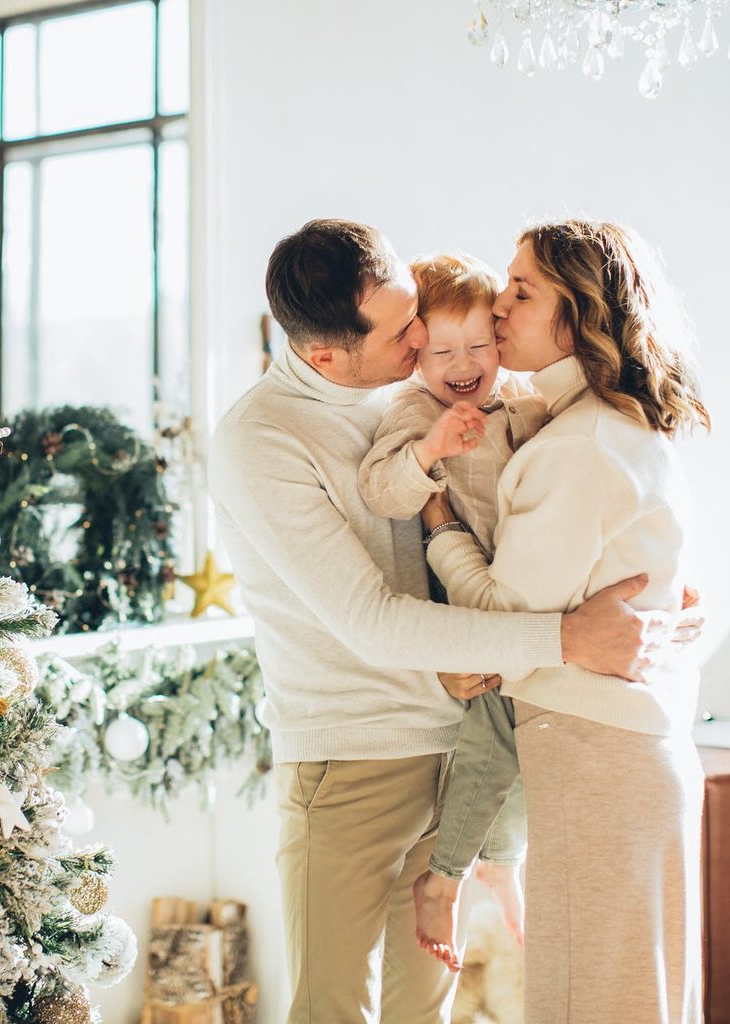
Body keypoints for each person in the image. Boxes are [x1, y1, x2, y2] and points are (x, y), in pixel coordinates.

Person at [207, 219, 667, 1024]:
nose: (424, 337)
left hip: (452, 741)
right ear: (325, 357)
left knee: (426, 1014)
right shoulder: (261, 438)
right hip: (351, 762)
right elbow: (372, 621)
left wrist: (658, 607)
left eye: (412, 309)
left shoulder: (407, 391)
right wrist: (566, 637)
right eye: (399, 331)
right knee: (333, 1011)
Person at [420, 220, 709, 1021]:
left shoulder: (581, 447)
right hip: (623, 762)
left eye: (522, 290)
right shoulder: (611, 431)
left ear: (578, 314)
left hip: (596, 763)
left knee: (593, 999)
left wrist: (442, 528)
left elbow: (503, 631)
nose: (498, 308)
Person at [358, 252, 544, 951]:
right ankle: (453, 871)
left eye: (478, 346)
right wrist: (430, 450)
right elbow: (381, 492)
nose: (462, 364)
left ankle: (497, 862)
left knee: (526, 731)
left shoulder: (521, 396)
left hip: (515, 587)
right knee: (496, 733)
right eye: (441, 351)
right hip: (464, 595)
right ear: (417, 354)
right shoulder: (414, 408)